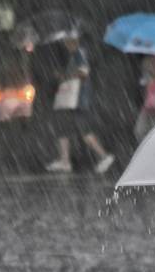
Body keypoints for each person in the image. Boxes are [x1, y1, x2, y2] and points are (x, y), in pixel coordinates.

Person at [46, 33, 115, 174]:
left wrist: (64, 76)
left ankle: (104, 156)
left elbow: (83, 73)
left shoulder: (79, 53)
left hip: (77, 98)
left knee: (83, 130)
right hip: (75, 99)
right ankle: (65, 160)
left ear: (72, 41)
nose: (65, 44)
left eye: (66, 41)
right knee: (63, 127)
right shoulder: (76, 54)